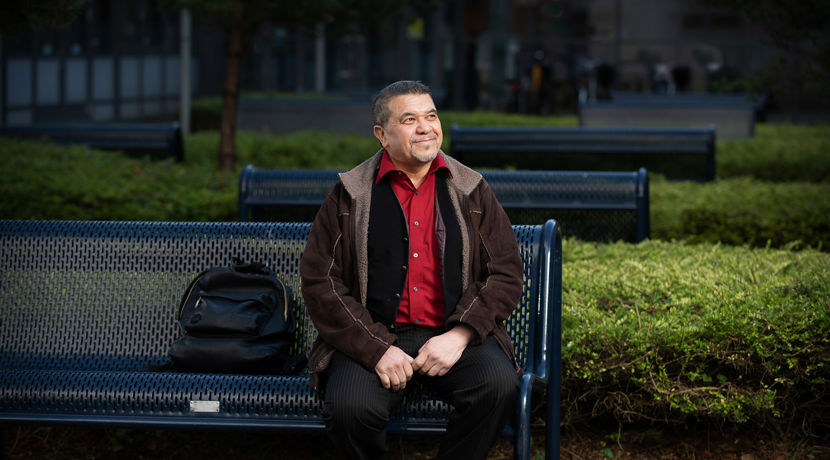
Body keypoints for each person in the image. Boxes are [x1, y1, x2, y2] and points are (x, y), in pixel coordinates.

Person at [300, 80, 523, 460]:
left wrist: (460, 334)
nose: (426, 127)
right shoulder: (350, 193)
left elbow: (505, 271)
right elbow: (321, 281)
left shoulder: (470, 188)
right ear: (381, 134)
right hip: (374, 336)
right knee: (350, 409)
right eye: (409, 119)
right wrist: (376, 349)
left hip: (449, 334)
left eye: (431, 115)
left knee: (497, 387)